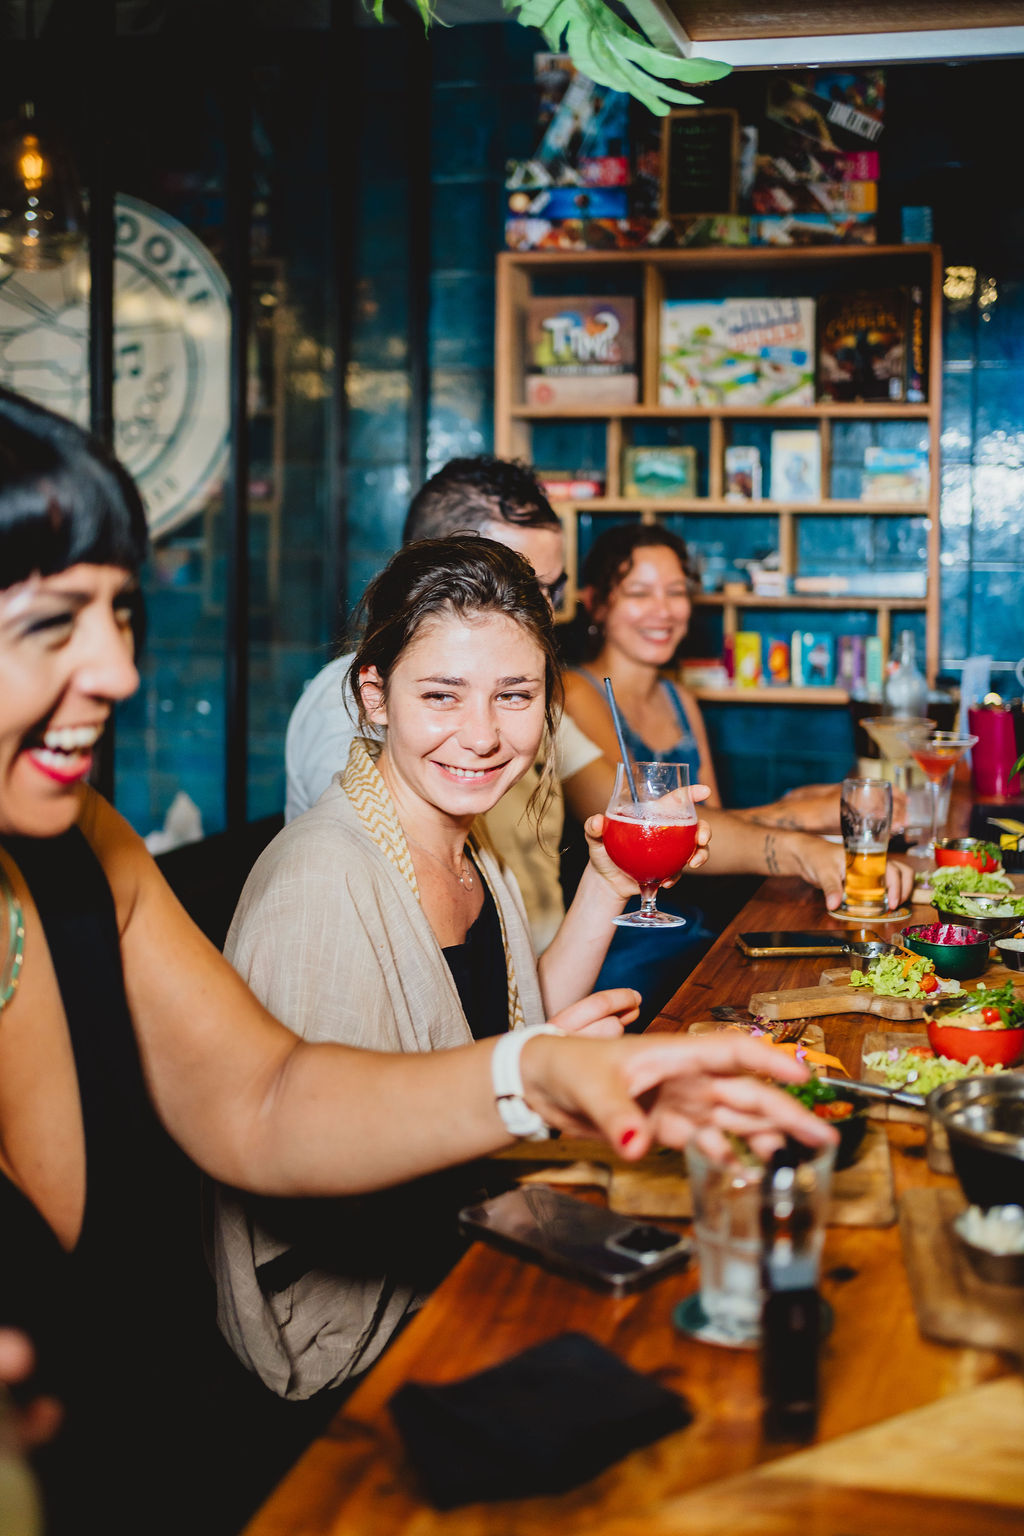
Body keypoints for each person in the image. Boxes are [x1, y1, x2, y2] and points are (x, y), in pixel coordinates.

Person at [0, 388, 833, 1534]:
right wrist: (532, 1093)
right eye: (51, 621)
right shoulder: (328, 868)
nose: (119, 672)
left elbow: (269, 1091)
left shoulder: (87, 845)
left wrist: (534, 1075)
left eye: (123, 614)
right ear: (375, 699)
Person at [216, 535, 714, 1399]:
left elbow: (503, 1027)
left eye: (514, 696)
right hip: (361, 1328)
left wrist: (607, 881)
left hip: (461, 1232)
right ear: (375, 696)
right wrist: (537, 1084)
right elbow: (320, 1182)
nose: (482, 736)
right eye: (441, 695)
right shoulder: (322, 885)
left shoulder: (464, 844)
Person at [284, 456, 903, 952]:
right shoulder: (353, 706)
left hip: (539, 985)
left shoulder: (526, 699)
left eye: (546, 589)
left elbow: (636, 812)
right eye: (520, 581)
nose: (545, 612)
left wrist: (798, 833)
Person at [561, 523, 913, 1017]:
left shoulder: (677, 698)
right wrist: (802, 829)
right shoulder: (574, 694)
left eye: (676, 592)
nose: (662, 610)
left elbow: (705, 837)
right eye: (639, 593)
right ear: (596, 602)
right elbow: (644, 831)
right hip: (616, 939)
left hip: (689, 919)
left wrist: (803, 810)